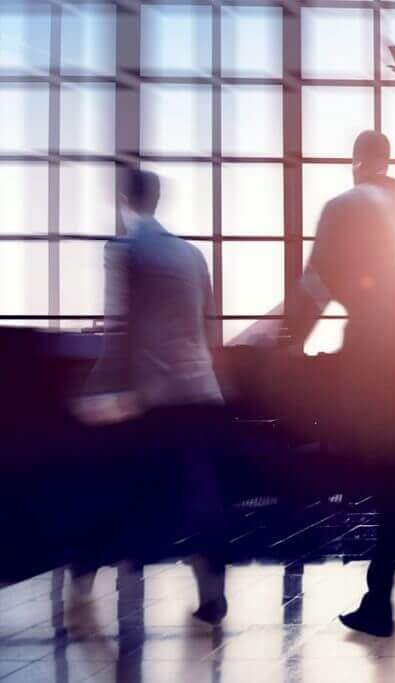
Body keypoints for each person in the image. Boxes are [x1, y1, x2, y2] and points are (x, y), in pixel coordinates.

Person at [279, 131, 395, 655]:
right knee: (390, 489)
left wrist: (289, 340)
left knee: (381, 485)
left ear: (356, 162)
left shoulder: (343, 208)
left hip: (371, 368)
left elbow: (317, 284)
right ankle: (381, 603)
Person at [73, 168, 229, 625]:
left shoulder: (125, 250)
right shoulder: (192, 255)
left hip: (154, 396)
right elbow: (209, 325)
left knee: (121, 488)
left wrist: (100, 387)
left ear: (126, 200)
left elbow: (119, 328)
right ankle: (212, 596)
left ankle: (83, 575)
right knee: (203, 494)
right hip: (200, 392)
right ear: (158, 200)